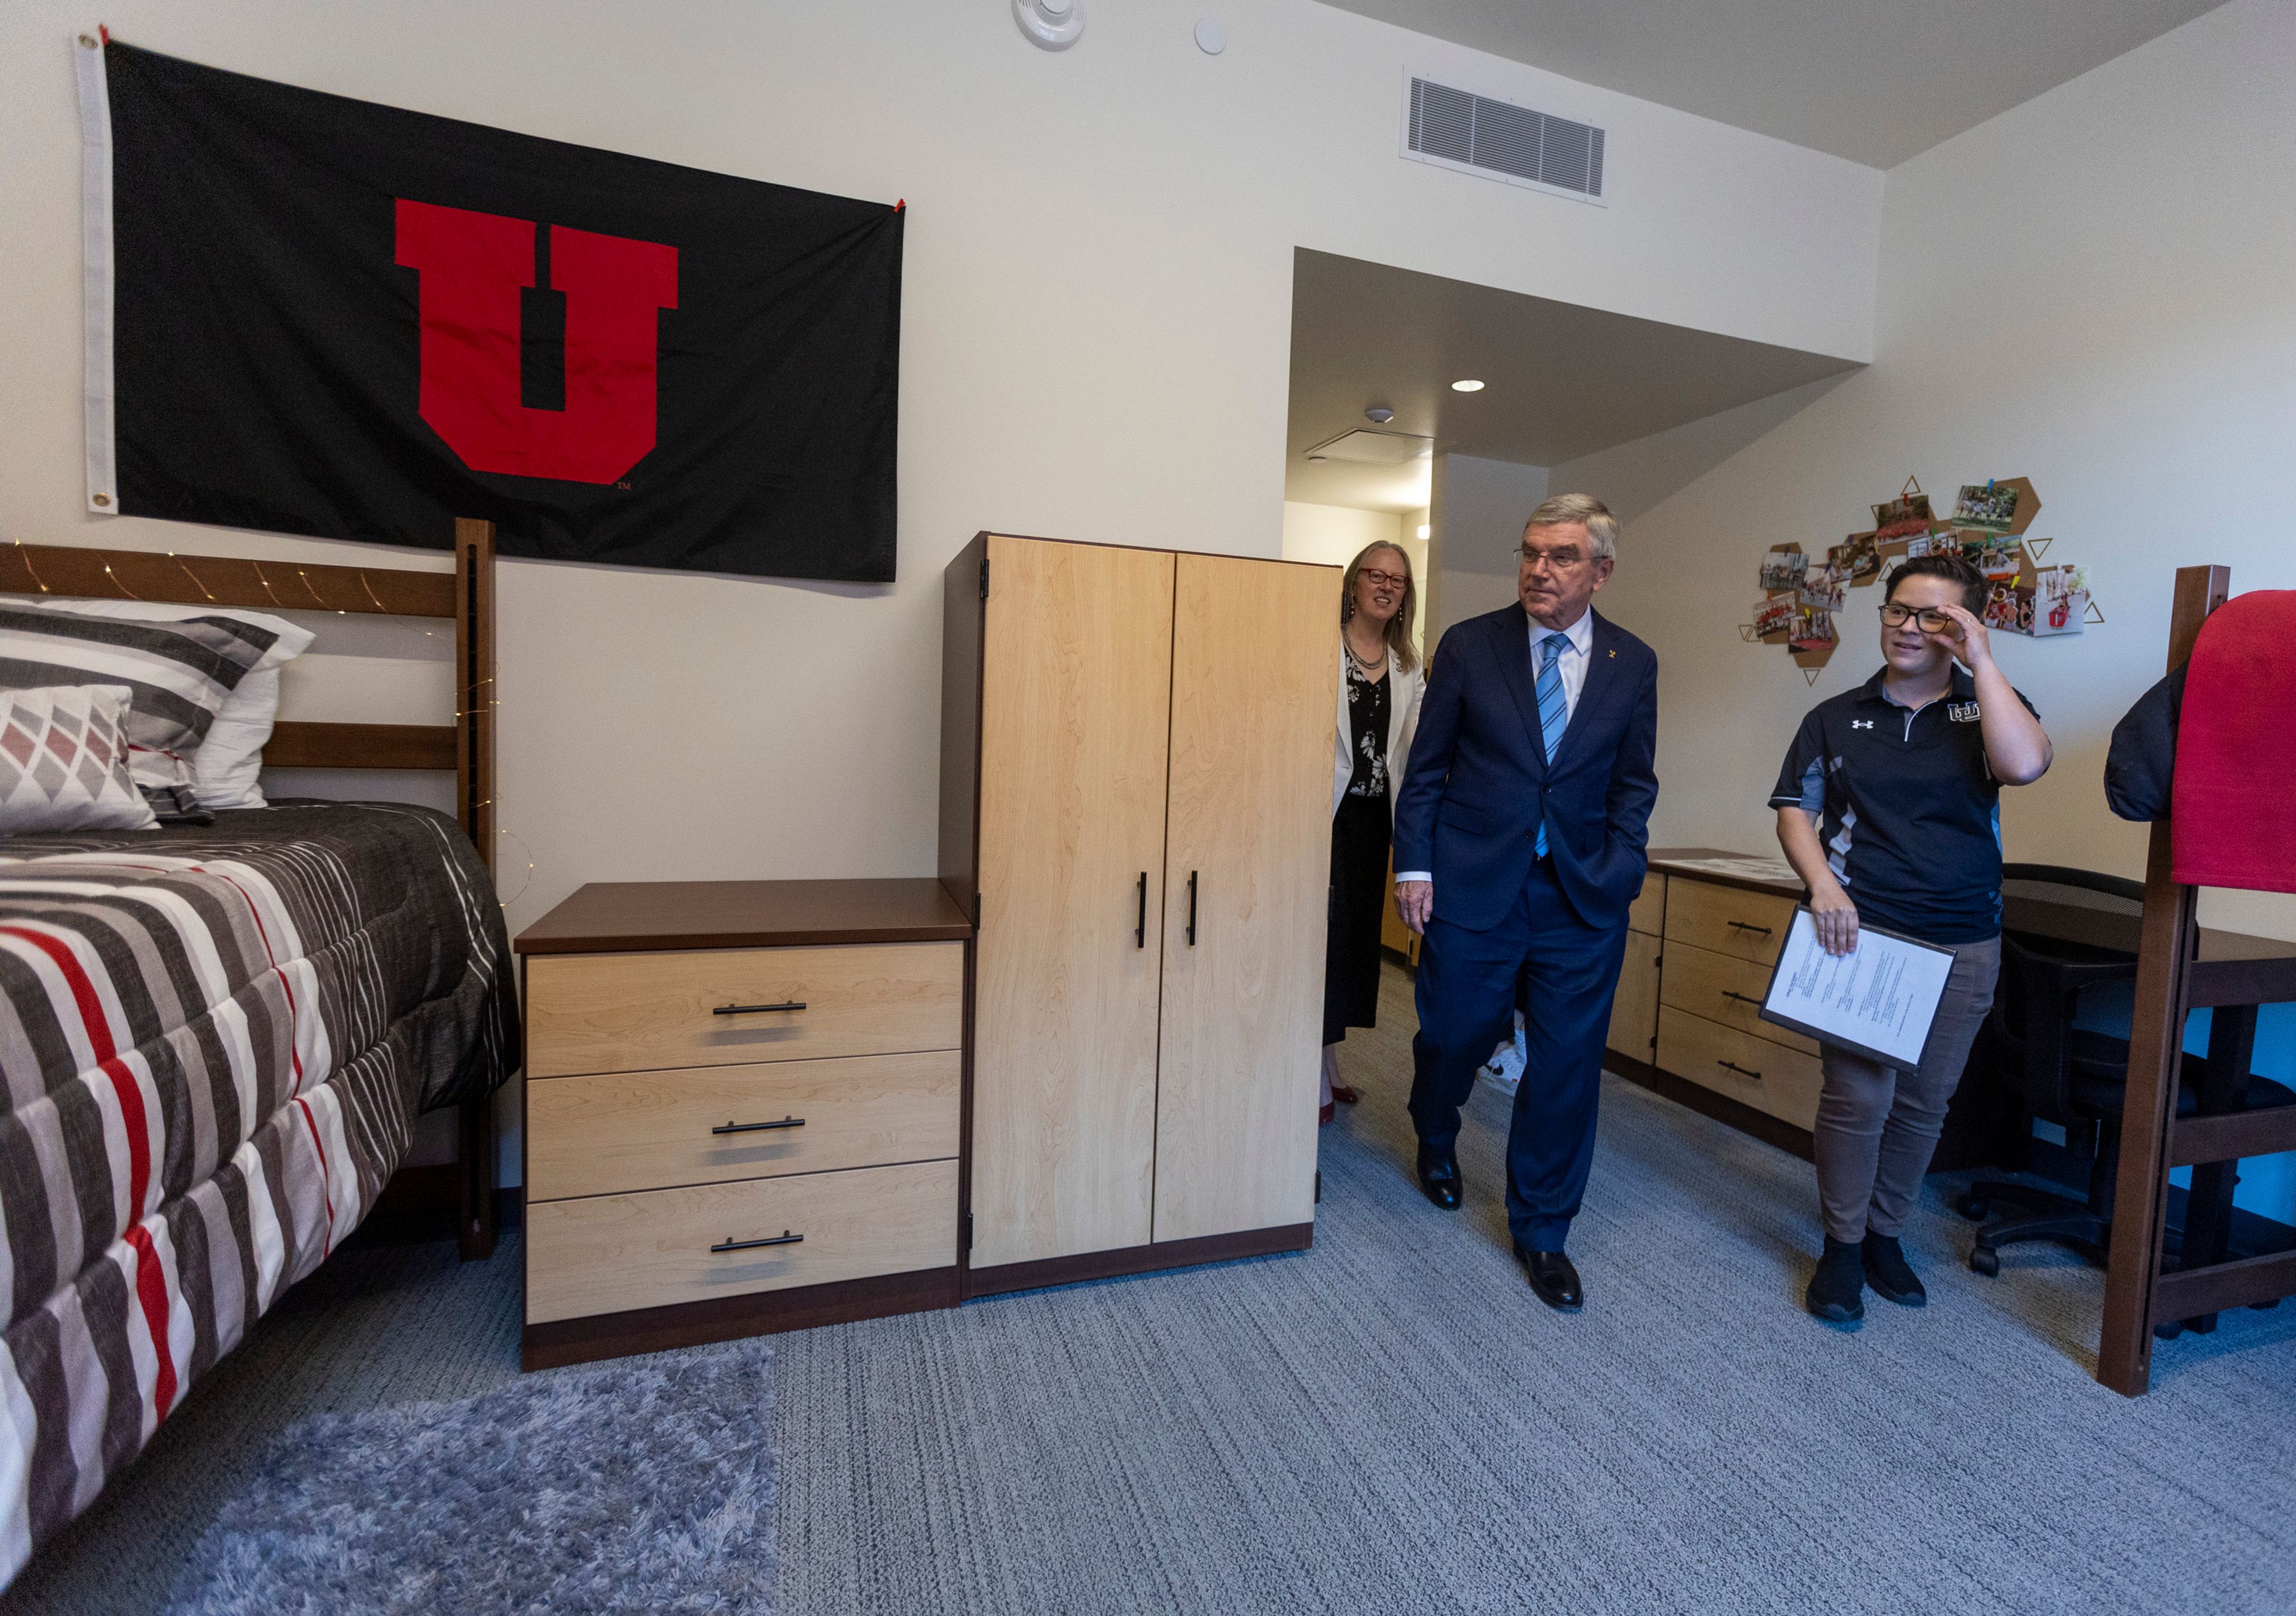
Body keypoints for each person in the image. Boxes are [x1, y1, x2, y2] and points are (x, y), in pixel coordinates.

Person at [1392, 493, 1659, 1313]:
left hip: (1581, 897)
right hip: (1474, 881)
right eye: (1531, 553)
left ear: (1601, 571)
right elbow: (1427, 767)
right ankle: (1436, 1132)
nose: (1540, 569)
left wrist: (1620, 866)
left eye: (1563, 556)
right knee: (1454, 1032)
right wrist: (1415, 868)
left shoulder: (1632, 663)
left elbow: (1633, 781)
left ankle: (1544, 1228)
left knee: (1568, 1068)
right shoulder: (1472, 646)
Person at [1769, 551, 2052, 1325]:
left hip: (1964, 938)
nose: (1909, 626)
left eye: (1935, 615)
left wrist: (1983, 664)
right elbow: (1796, 807)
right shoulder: (1835, 716)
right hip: (1861, 933)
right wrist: (1823, 883)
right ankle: (1842, 1242)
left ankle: (1886, 1233)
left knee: (1927, 1102)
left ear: (1963, 627)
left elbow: (2024, 763)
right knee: (1858, 1096)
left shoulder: (1986, 706)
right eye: (1899, 609)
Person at [1321, 541, 1425, 1121]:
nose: (1386, 586)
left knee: (1356, 945)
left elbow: (1410, 754)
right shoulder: (1322, 644)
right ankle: (1311, 1070)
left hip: (1371, 822)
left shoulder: (1407, 664)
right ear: (1354, 582)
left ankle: (1330, 1062)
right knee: (1325, 945)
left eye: (1399, 580)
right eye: (1375, 575)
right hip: (1324, 817)